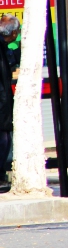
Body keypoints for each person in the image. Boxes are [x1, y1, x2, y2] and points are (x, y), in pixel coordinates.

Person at [0, 14, 17, 193]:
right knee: (4, 139)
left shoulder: (4, 47)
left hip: (3, 99)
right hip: (2, 101)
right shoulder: (2, 48)